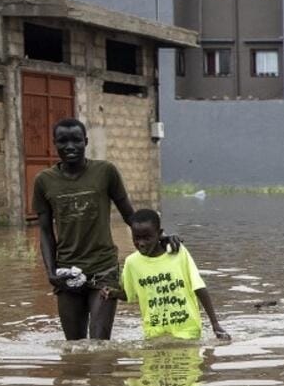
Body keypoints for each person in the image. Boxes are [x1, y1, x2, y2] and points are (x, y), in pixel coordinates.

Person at [33, 117, 174, 341]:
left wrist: (163, 238)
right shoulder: (44, 181)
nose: (70, 146)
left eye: (76, 140)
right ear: (54, 144)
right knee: (75, 347)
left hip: (103, 270)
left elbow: (130, 216)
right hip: (67, 274)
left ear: (86, 141)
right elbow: (45, 232)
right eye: (63, 141)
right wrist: (51, 273)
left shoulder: (105, 172)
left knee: (99, 346)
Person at [103, 209, 229, 341]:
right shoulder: (131, 263)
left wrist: (215, 324)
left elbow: (199, 287)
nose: (141, 243)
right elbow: (130, 295)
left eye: (147, 238)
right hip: (154, 334)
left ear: (159, 234)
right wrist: (113, 293)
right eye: (136, 238)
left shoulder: (178, 253)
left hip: (187, 331)